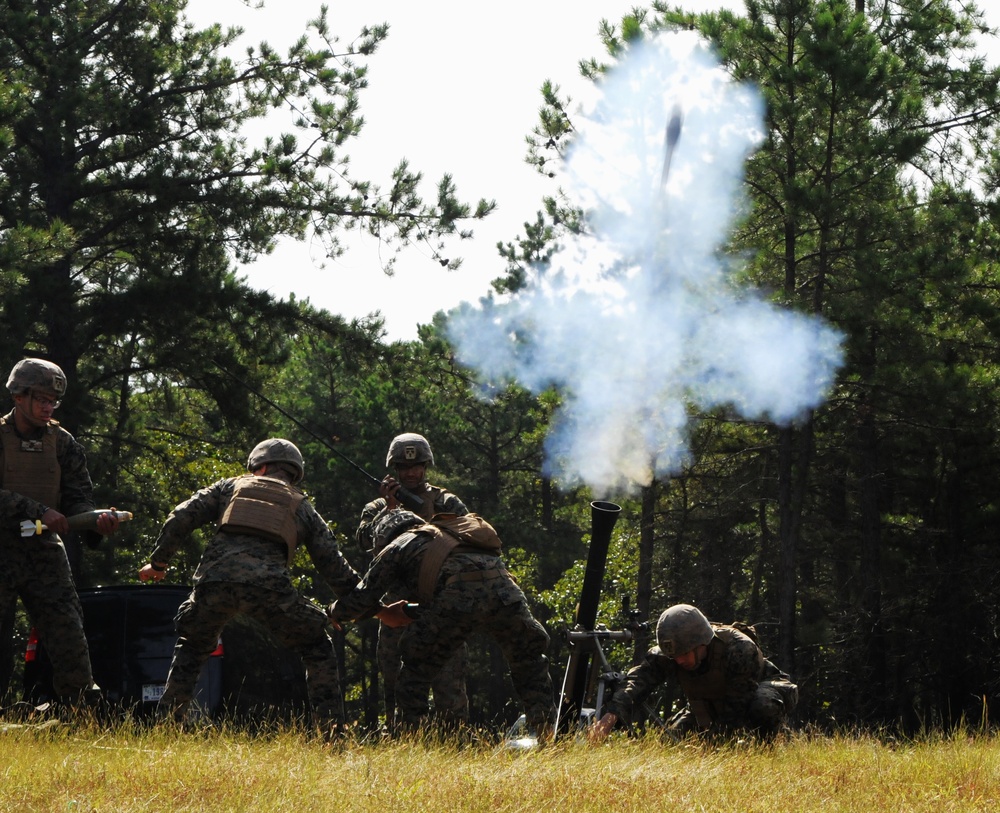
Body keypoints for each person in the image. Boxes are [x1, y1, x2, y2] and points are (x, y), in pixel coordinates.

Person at [139, 438, 386, 734]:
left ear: (260, 467)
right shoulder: (302, 507)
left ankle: (167, 726)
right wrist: (370, 608)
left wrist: (158, 563)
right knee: (316, 645)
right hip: (270, 592)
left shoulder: (229, 486)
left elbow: (181, 516)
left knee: (193, 644)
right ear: (293, 475)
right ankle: (332, 733)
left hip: (214, 584)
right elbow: (335, 568)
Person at [331, 508, 555, 737]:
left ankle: (409, 739)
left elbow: (362, 598)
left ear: (382, 537)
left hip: (458, 600)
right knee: (529, 661)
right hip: (508, 595)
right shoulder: (452, 535)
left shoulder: (399, 545)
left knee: (414, 667)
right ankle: (547, 732)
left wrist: (333, 612)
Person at [0, 358, 121, 708]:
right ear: (18, 396)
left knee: (68, 629)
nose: (47, 406)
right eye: (40, 398)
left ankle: (82, 710)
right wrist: (36, 510)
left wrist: (95, 522)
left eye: (53, 400)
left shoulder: (63, 442)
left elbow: (78, 498)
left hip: (43, 550)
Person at [356, 432, 470, 730]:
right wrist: (391, 509)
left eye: (417, 466)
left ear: (426, 466)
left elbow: (470, 540)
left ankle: (454, 743)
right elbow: (364, 540)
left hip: (441, 606)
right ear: (393, 469)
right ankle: (400, 739)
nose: (410, 473)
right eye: (404, 468)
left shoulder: (447, 502)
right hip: (398, 610)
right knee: (395, 687)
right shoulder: (376, 508)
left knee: (449, 688)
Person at [590, 603, 798, 741]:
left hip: (756, 693)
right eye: (674, 657)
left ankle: (775, 742)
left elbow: (735, 711)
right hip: (713, 703)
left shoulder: (739, 649)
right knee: (671, 744)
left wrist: (712, 747)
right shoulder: (672, 654)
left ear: (702, 644)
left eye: (684, 654)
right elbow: (636, 682)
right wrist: (611, 716)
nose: (679, 661)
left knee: (762, 707)